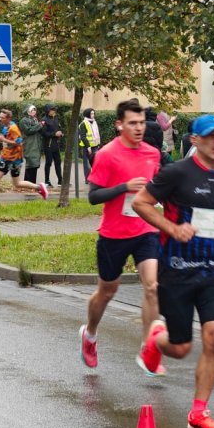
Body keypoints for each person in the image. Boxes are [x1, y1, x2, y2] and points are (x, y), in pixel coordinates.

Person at [131, 114, 214, 428]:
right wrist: (171, 228)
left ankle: (199, 412)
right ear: (194, 140)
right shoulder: (176, 173)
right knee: (181, 348)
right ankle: (156, 339)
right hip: (177, 271)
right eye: (210, 135)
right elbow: (141, 202)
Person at [79, 98, 163, 371]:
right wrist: (124, 187)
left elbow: (155, 190)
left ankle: (148, 350)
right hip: (114, 234)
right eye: (132, 123)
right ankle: (89, 334)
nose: (139, 128)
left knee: (152, 286)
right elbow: (93, 197)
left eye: (141, 123)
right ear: (119, 125)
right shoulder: (106, 154)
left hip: (145, 229)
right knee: (107, 291)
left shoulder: (152, 154)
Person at [0, 109, 49, 202]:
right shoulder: (6, 126)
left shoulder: (13, 128)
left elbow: (19, 142)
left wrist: (4, 140)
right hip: (5, 158)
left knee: (15, 183)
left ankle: (40, 187)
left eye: (2, 117)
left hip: (14, 160)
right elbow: (4, 137)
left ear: (8, 119)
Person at [19, 105, 43, 187]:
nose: (34, 112)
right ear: (28, 111)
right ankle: (28, 184)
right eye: (32, 110)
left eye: (35, 110)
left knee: (35, 164)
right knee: (30, 163)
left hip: (36, 145)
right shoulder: (24, 120)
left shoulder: (35, 119)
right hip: (29, 145)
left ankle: (32, 184)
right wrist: (39, 125)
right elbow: (28, 131)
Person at [40, 104, 64, 187]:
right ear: (47, 111)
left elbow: (58, 128)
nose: (53, 111)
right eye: (51, 110)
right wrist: (54, 134)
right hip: (48, 145)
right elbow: (43, 133)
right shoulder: (44, 120)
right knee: (48, 162)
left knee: (58, 162)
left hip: (56, 144)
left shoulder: (56, 118)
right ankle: (47, 181)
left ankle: (60, 180)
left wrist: (60, 133)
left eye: (54, 110)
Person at [78, 107, 101, 177]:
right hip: (86, 147)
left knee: (95, 162)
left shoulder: (94, 122)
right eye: (91, 114)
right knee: (87, 164)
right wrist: (88, 146)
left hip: (95, 146)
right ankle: (87, 179)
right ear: (87, 114)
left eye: (93, 113)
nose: (93, 115)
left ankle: (96, 177)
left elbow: (96, 134)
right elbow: (83, 136)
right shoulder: (83, 123)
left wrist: (98, 144)